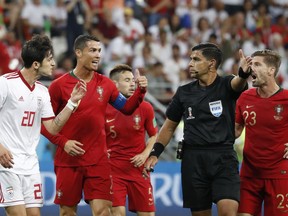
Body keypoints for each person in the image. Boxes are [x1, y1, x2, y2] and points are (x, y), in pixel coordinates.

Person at [41, 34, 148, 216]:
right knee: (67, 212)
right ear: (79, 53)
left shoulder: (105, 83)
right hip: (68, 161)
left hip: (98, 160)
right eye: (92, 50)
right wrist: (64, 142)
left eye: (99, 50)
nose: (98, 55)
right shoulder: (58, 86)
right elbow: (45, 126)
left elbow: (127, 108)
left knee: (104, 211)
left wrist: (140, 91)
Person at [144, 42, 252, 216]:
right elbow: (169, 126)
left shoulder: (226, 84)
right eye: (190, 59)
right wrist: (155, 152)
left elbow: (238, 84)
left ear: (211, 63)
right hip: (193, 160)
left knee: (228, 212)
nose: (190, 64)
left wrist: (244, 73)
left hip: (223, 158)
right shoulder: (183, 92)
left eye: (195, 59)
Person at [0, 34, 86, 216]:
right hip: (6, 163)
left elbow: (52, 128)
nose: (54, 63)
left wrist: (71, 103)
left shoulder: (42, 92)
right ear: (36, 64)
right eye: (49, 59)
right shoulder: (5, 83)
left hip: (30, 164)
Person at [235, 49, 288, 215]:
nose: (252, 68)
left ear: (271, 70)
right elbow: (234, 131)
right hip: (249, 174)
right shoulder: (244, 97)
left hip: (279, 175)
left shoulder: (286, 99)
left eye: (257, 64)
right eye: (251, 64)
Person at [105, 64, 157, 216]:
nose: (132, 83)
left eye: (133, 80)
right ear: (114, 84)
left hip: (139, 170)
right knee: (117, 213)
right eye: (127, 80)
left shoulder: (145, 107)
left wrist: (145, 154)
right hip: (113, 169)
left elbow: (154, 135)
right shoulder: (104, 108)